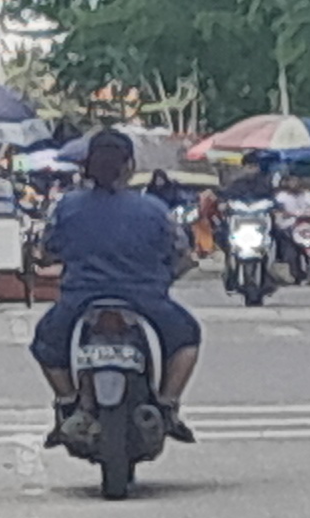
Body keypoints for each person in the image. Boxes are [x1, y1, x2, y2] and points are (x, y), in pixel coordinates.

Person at [31, 128, 200, 446]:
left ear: (87, 166)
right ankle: (167, 407)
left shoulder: (68, 207)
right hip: (146, 299)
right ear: (129, 165)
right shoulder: (153, 209)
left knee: (46, 342)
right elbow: (180, 254)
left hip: (80, 299)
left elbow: (48, 250)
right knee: (187, 337)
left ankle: (68, 405)